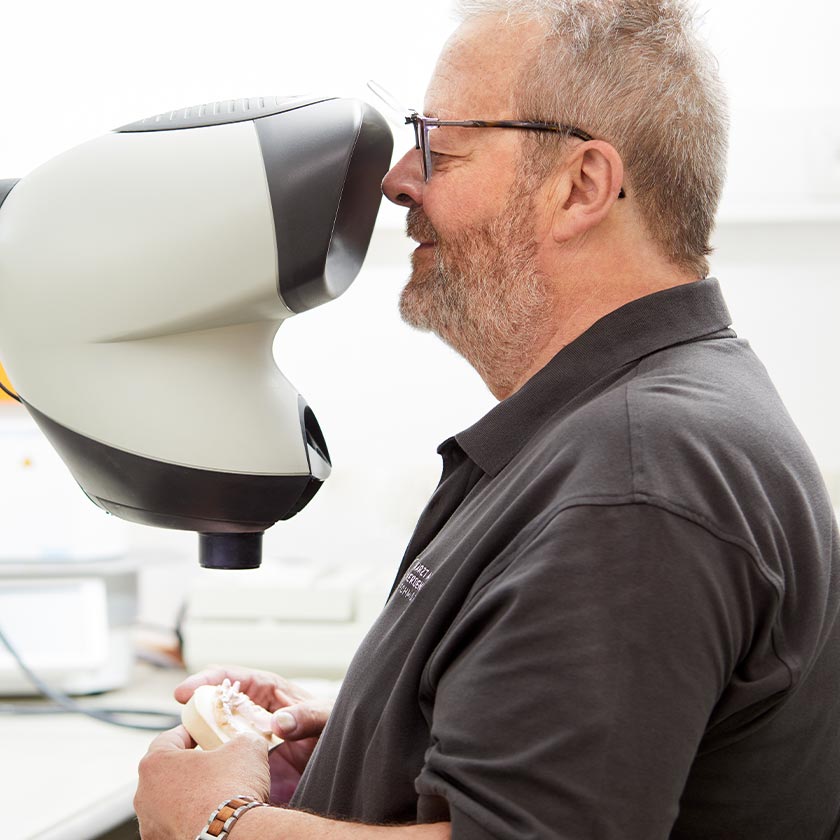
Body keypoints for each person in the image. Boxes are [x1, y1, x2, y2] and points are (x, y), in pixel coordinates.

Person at [134, 1, 840, 837]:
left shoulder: (635, 478)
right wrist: (373, 729)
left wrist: (216, 822)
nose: (398, 179)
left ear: (580, 186)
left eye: (440, 143)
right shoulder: (627, 430)